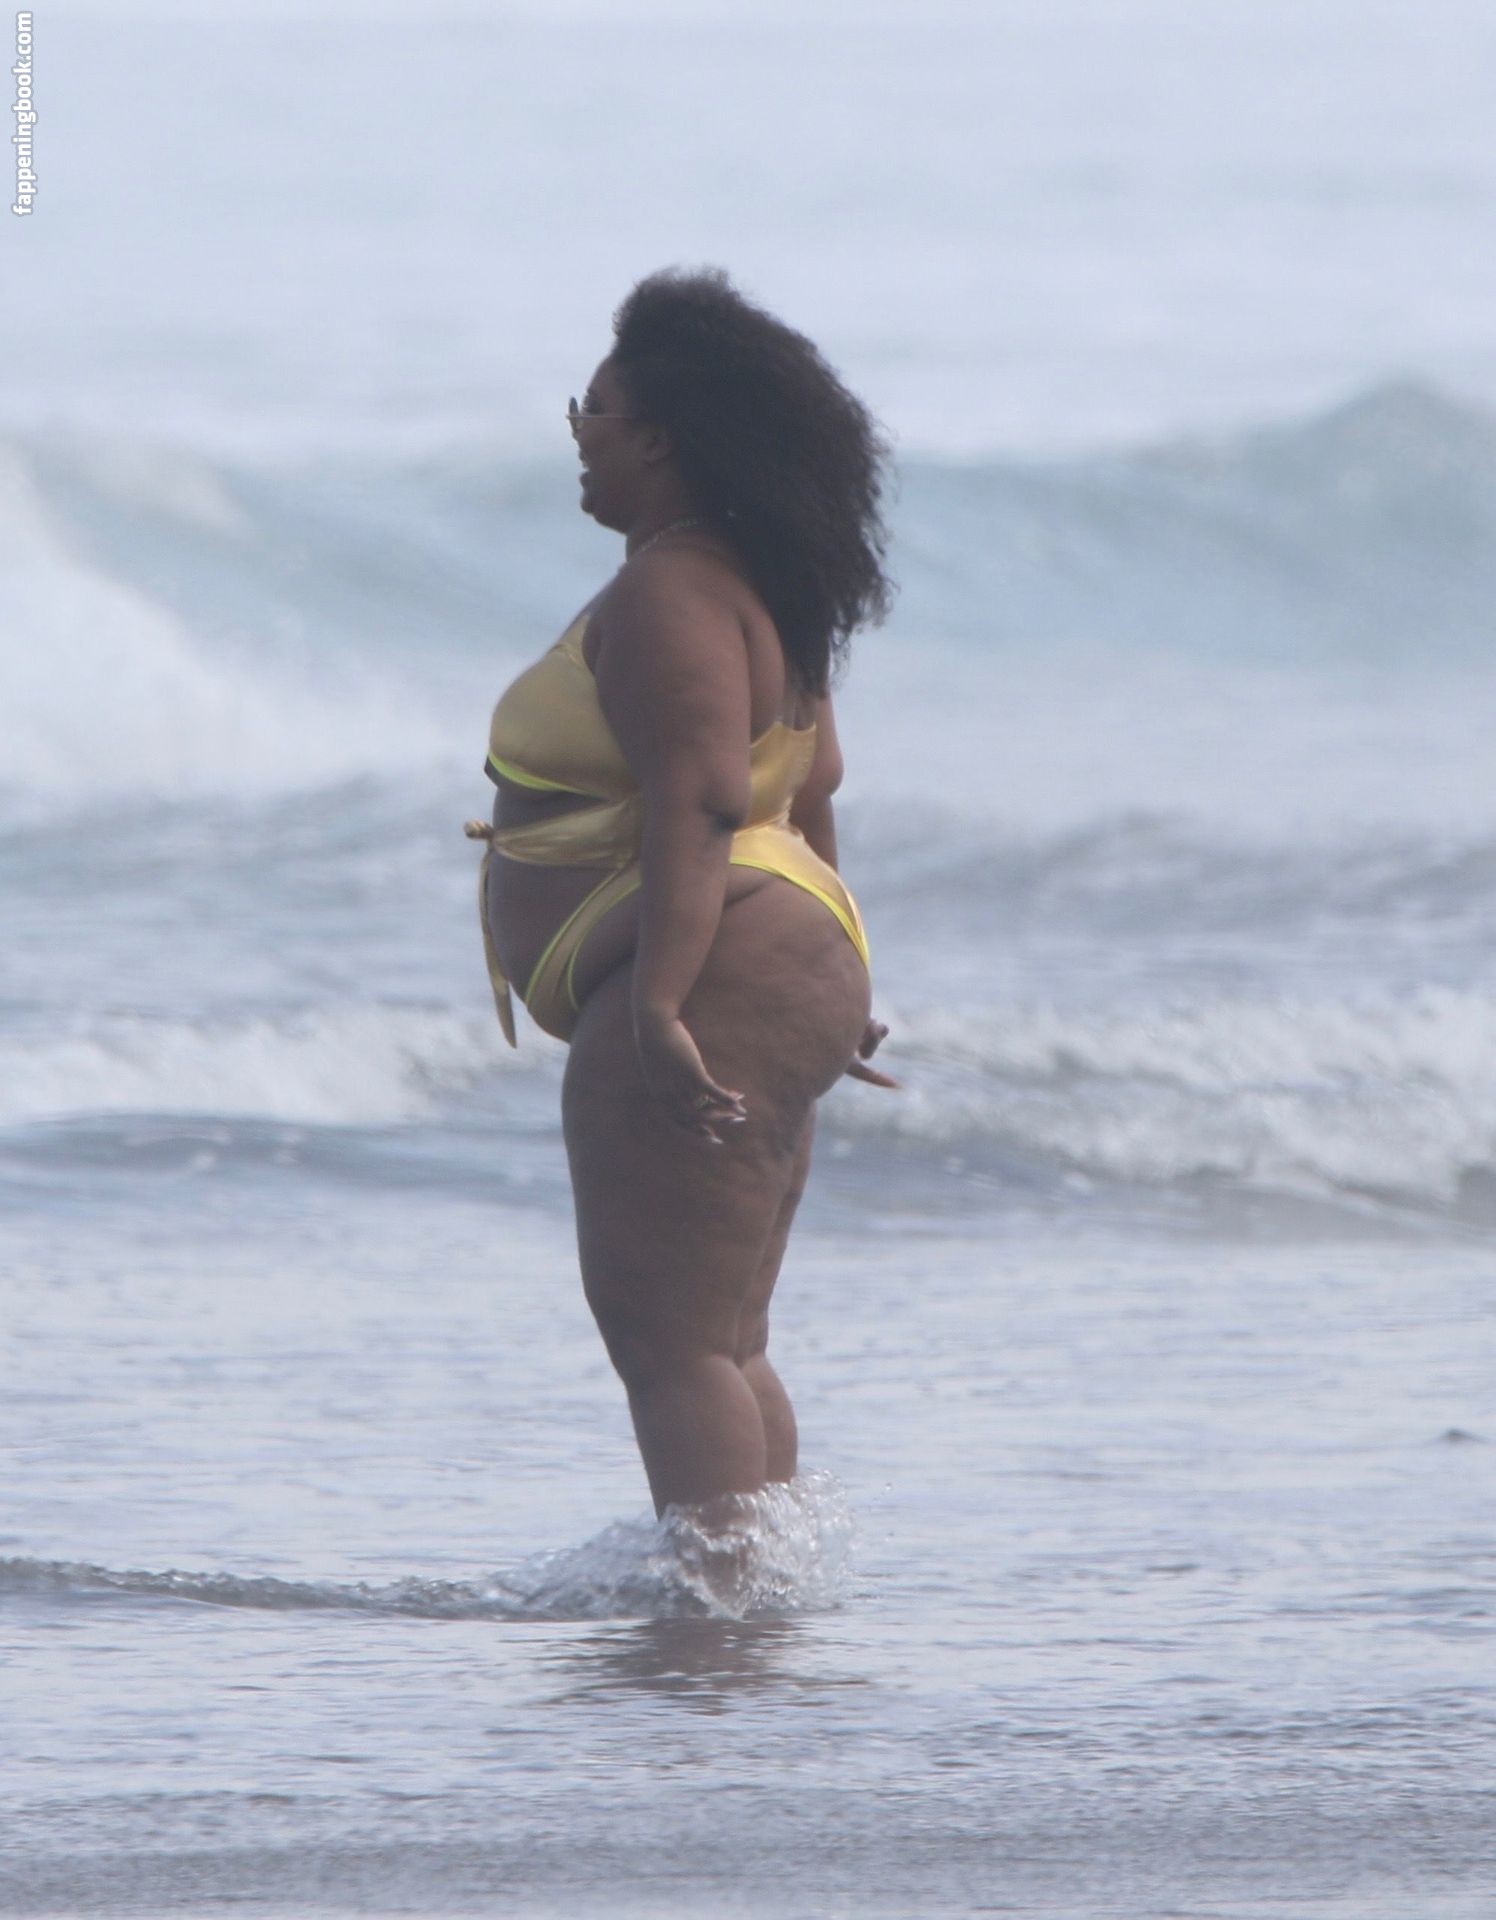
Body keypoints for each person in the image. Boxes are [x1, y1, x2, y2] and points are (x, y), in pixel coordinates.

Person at [465, 267, 898, 1520]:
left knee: (672, 1342)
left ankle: (707, 1611)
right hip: (767, 956)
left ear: (654, 438)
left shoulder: (672, 591)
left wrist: (659, 1004)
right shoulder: (757, 582)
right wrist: (839, 983)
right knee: (720, 1336)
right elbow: (807, 789)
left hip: (710, 968)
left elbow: (705, 800)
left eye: (589, 412)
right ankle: (752, 1594)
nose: (578, 438)